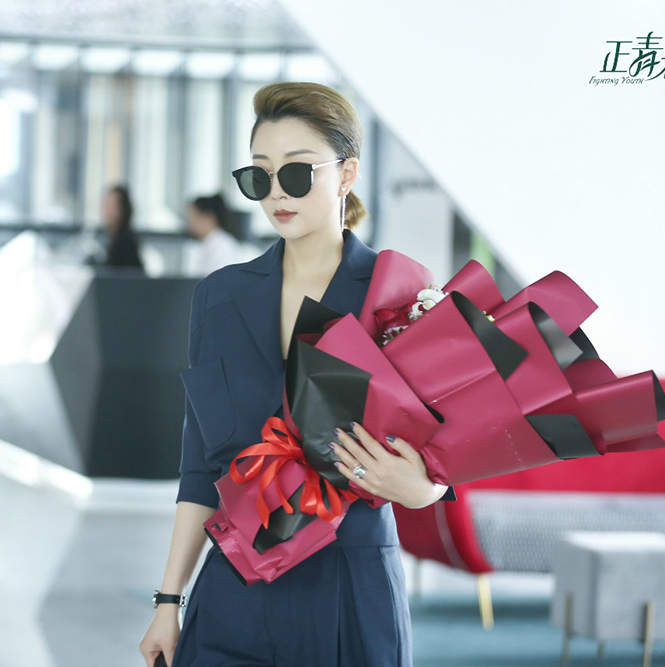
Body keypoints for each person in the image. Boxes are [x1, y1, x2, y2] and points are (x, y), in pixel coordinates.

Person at [139, 82, 449, 667]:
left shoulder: (398, 294)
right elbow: (201, 464)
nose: (277, 192)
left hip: (350, 583)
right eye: (260, 176)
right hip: (237, 578)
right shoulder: (220, 297)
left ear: (347, 173)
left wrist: (425, 491)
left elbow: (447, 445)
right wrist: (168, 600)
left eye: (298, 173)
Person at [185, 194, 244, 277]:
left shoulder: (223, 246)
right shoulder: (208, 244)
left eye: (193, 218)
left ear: (209, 217)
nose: (190, 225)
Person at [100, 184, 144, 271]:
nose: (107, 211)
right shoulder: (112, 239)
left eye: (112, 206)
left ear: (123, 209)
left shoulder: (125, 242)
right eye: (106, 205)